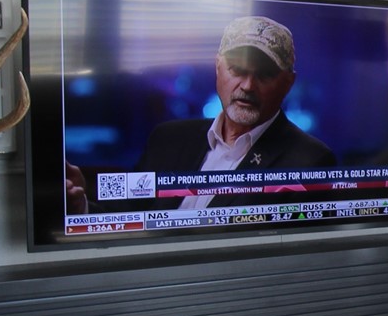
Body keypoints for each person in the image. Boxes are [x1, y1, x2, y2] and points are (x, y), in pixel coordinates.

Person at [64, 15, 334, 213]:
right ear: (218, 68)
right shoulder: (168, 138)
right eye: (237, 70)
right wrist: (81, 204)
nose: (248, 86)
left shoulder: (310, 161)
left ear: (288, 83)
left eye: (265, 74)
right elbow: (131, 218)